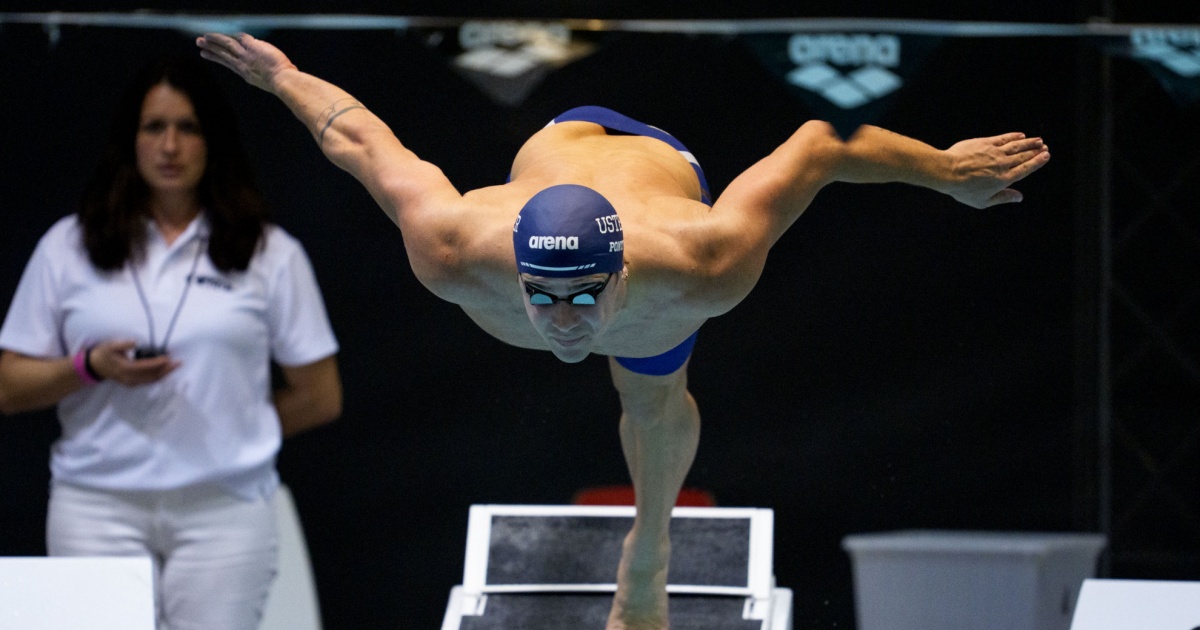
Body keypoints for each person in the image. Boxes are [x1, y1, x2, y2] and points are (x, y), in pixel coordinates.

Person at [196, 32, 1049, 630]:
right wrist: (283, 76)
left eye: (585, 296)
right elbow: (354, 137)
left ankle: (650, 552)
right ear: (516, 274)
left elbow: (821, 144)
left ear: (623, 273)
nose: (565, 323)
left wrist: (945, 171)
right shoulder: (453, 246)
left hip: (659, 170)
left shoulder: (702, 260)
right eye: (543, 297)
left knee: (652, 398)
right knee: (626, 363)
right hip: (560, 140)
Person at [0, 52, 342, 630]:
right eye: (154, 127)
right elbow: (9, 386)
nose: (170, 146)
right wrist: (89, 367)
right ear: (130, 140)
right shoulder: (69, 245)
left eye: (188, 127)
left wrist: (231, 430)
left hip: (225, 509)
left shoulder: (268, 252)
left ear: (213, 141)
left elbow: (320, 396)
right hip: (97, 504)